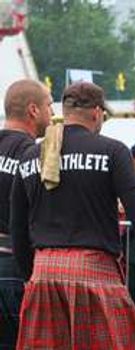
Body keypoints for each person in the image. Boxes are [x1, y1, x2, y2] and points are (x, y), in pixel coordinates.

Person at [10, 81, 135, 349]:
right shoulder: (113, 151)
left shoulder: (29, 155)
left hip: (44, 272)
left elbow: (18, 227)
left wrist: (32, 275)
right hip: (93, 272)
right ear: (97, 113)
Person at [0, 79, 53, 348]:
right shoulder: (34, 155)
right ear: (33, 110)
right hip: (15, 266)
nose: (52, 112)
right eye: (48, 104)